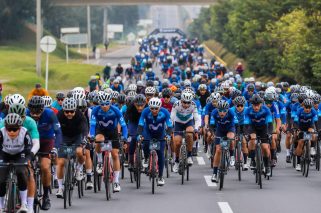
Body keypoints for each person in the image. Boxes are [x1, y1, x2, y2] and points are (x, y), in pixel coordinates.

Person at [27, 96, 62, 209]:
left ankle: (46, 196)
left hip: (46, 141)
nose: (36, 114)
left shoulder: (50, 113)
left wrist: (55, 148)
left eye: (38, 112)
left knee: (45, 167)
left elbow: (58, 132)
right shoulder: (26, 113)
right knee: (26, 167)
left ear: (43, 109)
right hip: (31, 141)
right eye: (33, 112)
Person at [89, 92, 128, 192]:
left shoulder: (116, 110)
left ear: (110, 102)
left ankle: (116, 182)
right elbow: (92, 125)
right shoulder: (95, 110)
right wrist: (92, 136)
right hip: (100, 131)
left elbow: (123, 125)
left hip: (112, 132)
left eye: (107, 103)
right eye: (102, 104)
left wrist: (124, 137)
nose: (104, 106)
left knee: (115, 154)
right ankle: (100, 162)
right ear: (99, 103)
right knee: (98, 140)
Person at [55, 98, 89, 197]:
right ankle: (60, 188)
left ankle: (78, 169)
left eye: (71, 111)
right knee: (60, 162)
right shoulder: (59, 115)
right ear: (63, 110)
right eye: (66, 111)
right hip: (64, 138)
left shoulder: (80, 115)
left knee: (79, 152)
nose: (69, 113)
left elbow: (84, 129)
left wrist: (85, 138)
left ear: (75, 110)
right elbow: (55, 128)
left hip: (76, 137)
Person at [0, 113, 33, 213]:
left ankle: (24, 204)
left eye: (14, 129)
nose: (11, 132)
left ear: (20, 128)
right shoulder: (1, 132)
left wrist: (28, 160)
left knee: (21, 172)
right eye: (8, 129)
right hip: (4, 154)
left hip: (20, 154)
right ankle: (1, 206)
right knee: (1, 177)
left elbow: (29, 149)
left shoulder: (25, 133)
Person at [136, 98, 173, 186]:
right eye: (152, 108)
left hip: (160, 134)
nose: (154, 110)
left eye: (156, 108)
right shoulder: (145, 111)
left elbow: (170, 125)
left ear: (160, 107)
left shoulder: (165, 112)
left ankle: (160, 177)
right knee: (145, 143)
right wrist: (139, 134)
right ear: (149, 107)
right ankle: (146, 159)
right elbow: (141, 124)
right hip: (148, 132)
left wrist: (168, 135)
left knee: (160, 155)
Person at [210, 100, 237, 182]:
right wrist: (213, 134)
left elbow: (237, 124)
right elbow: (211, 125)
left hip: (230, 129)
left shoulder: (231, 113)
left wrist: (236, 135)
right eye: (220, 110)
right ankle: (214, 173)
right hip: (220, 130)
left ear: (227, 110)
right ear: (217, 109)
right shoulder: (214, 113)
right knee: (218, 150)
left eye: (224, 111)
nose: (222, 113)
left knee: (230, 139)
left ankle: (232, 156)